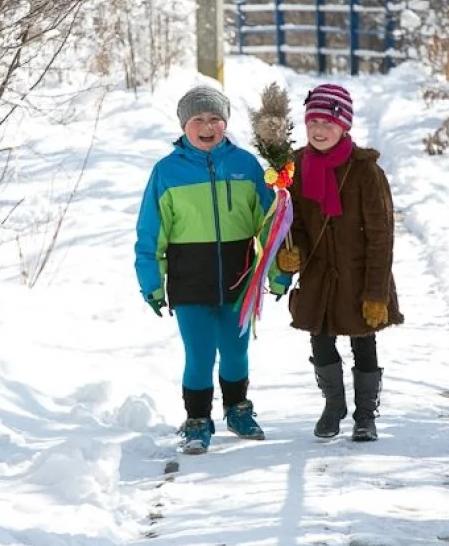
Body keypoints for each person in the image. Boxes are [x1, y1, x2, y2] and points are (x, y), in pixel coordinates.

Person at [134, 85, 288, 454]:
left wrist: (278, 271)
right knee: (200, 353)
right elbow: (150, 232)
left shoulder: (246, 165)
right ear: (184, 125)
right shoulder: (167, 172)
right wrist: (152, 282)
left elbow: (271, 224)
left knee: (235, 353)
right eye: (198, 119)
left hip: (239, 277)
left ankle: (238, 410)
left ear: (225, 123)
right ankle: (197, 420)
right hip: (190, 280)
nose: (207, 126)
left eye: (215, 118)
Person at [280, 83, 403, 442]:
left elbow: (382, 236)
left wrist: (376, 293)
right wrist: (294, 252)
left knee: (363, 342)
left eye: (328, 123)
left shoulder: (365, 170)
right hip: (319, 274)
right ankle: (334, 406)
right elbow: (297, 223)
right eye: (312, 122)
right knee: (320, 342)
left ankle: (366, 414)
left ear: (344, 126)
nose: (319, 130)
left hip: (360, 275)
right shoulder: (298, 166)